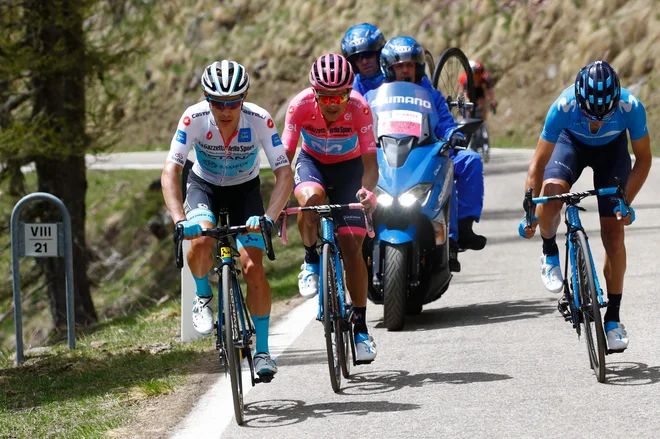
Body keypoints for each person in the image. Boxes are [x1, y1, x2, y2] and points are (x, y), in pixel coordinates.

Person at [161, 60, 294, 378]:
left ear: (244, 97)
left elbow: (284, 173)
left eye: (233, 102)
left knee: (253, 267)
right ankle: (203, 295)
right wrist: (180, 219)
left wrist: (270, 218)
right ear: (207, 99)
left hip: (244, 191)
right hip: (203, 185)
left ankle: (262, 351)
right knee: (201, 237)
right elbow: (171, 172)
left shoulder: (260, 120)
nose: (225, 110)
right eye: (217, 103)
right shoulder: (193, 118)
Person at [519, 60, 651, 352]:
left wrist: (624, 202)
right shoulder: (563, 106)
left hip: (612, 152)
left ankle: (613, 319)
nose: (597, 123)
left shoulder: (631, 107)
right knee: (551, 193)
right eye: (591, 115)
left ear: (615, 102)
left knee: (615, 235)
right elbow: (538, 164)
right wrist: (530, 211)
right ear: (579, 100)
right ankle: (549, 250)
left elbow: (644, 160)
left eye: (604, 115)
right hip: (571, 146)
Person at [282, 53, 379, 362]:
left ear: (349, 91)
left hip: (351, 169)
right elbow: (284, 156)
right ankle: (311, 260)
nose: (334, 102)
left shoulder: (360, 108)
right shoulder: (299, 106)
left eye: (341, 95)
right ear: (314, 92)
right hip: (312, 164)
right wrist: (280, 197)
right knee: (310, 200)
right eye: (326, 96)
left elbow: (370, 165)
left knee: (353, 246)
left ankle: (361, 329)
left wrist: (366, 191)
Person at [362, 35, 486, 272]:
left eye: (410, 65)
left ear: (418, 67)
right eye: (399, 66)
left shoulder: (432, 96)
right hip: (387, 154)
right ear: (389, 70)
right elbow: (363, 126)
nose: (405, 70)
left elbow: (447, 125)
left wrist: (453, 134)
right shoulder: (374, 97)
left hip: (424, 152)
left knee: (470, 159)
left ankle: (461, 230)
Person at [341, 23, 433, 96]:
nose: (364, 61)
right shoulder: (355, 88)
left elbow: (429, 97)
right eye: (357, 58)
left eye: (368, 55)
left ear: (379, 54)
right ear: (352, 64)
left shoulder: (399, 69)